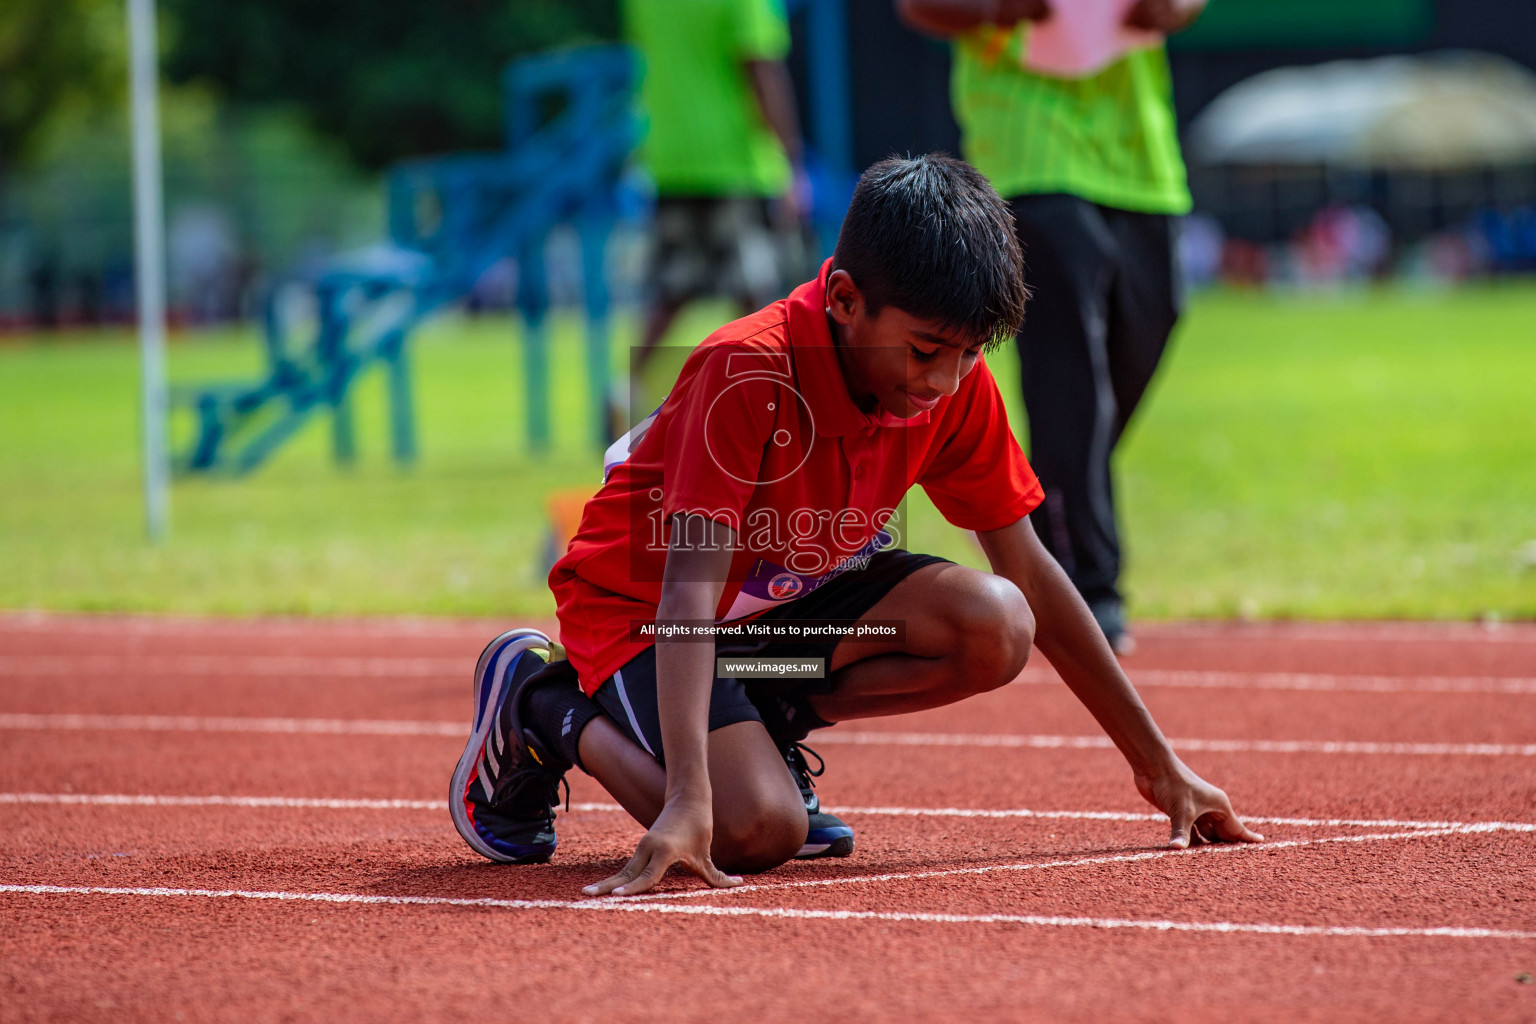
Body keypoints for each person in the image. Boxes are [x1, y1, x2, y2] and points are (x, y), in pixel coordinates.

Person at [450, 155, 1259, 895]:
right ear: (843, 301)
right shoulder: (746, 372)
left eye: (971, 354)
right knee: (753, 830)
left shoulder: (951, 383)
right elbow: (688, 583)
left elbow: (1031, 570)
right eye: (925, 350)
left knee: (996, 623)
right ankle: (543, 703)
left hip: (772, 625)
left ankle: (765, 723)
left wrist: (1162, 769)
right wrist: (688, 799)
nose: (945, 380)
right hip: (646, 611)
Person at [898, 0, 1207, 654]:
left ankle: (1031, 512)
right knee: (1072, 378)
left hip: (1137, 152)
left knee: (1150, 326)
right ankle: (1089, 587)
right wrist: (999, 6)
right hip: (1028, 139)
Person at [622, 0, 810, 383]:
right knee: (757, 295)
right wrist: (792, 162)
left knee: (669, 292)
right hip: (735, 162)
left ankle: (624, 385)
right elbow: (760, 70)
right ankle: (764, 392)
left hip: (669, 159)